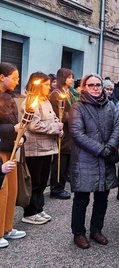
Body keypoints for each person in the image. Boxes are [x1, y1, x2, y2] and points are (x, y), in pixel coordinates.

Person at [68, 73, 119, 249]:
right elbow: (77, 133)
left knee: (102, 198)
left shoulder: (111, 105)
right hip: (85, 160)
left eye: (98, 85)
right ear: (84, 87)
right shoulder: (78, 107)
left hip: (105, 160)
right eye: (91, 85)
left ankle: (96, 230)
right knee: (81, 199)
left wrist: (110, 147)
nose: (95, 88)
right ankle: (79, 233)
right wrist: (101, 150)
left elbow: (117, 127)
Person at [21, 72, 63, 225]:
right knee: (35, 181)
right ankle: (30, 212)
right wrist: (54, 127)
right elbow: (33, 125)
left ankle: (39, 208)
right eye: (46, 84)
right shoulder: (31, 101)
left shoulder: (45, 100)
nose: (49, 86)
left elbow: (54, 119)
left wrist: (59, 127)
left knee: (43, 180)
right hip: (35, 148)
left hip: (47, 147)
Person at [0, 62, 26, 247]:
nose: (17, 82)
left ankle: (7, 228)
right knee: (2, 192)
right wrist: (13, 129)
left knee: (12, 191)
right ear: (2, 77)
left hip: (12, 149)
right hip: (1, 150)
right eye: (14, 78)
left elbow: (18, 123)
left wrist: (21, 136)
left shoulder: (10, 97)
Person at [49, 68, 77, 200]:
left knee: (66, 160)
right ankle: (56, 188)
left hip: (69, 132)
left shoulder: (70, 93)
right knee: (60, 161)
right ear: (62, 78)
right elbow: (58, 114)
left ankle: (61, 185)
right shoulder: (56, 93)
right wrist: (75, 117)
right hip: (62, 131)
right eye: (69, 77)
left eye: (72, 77)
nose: (72, 79)